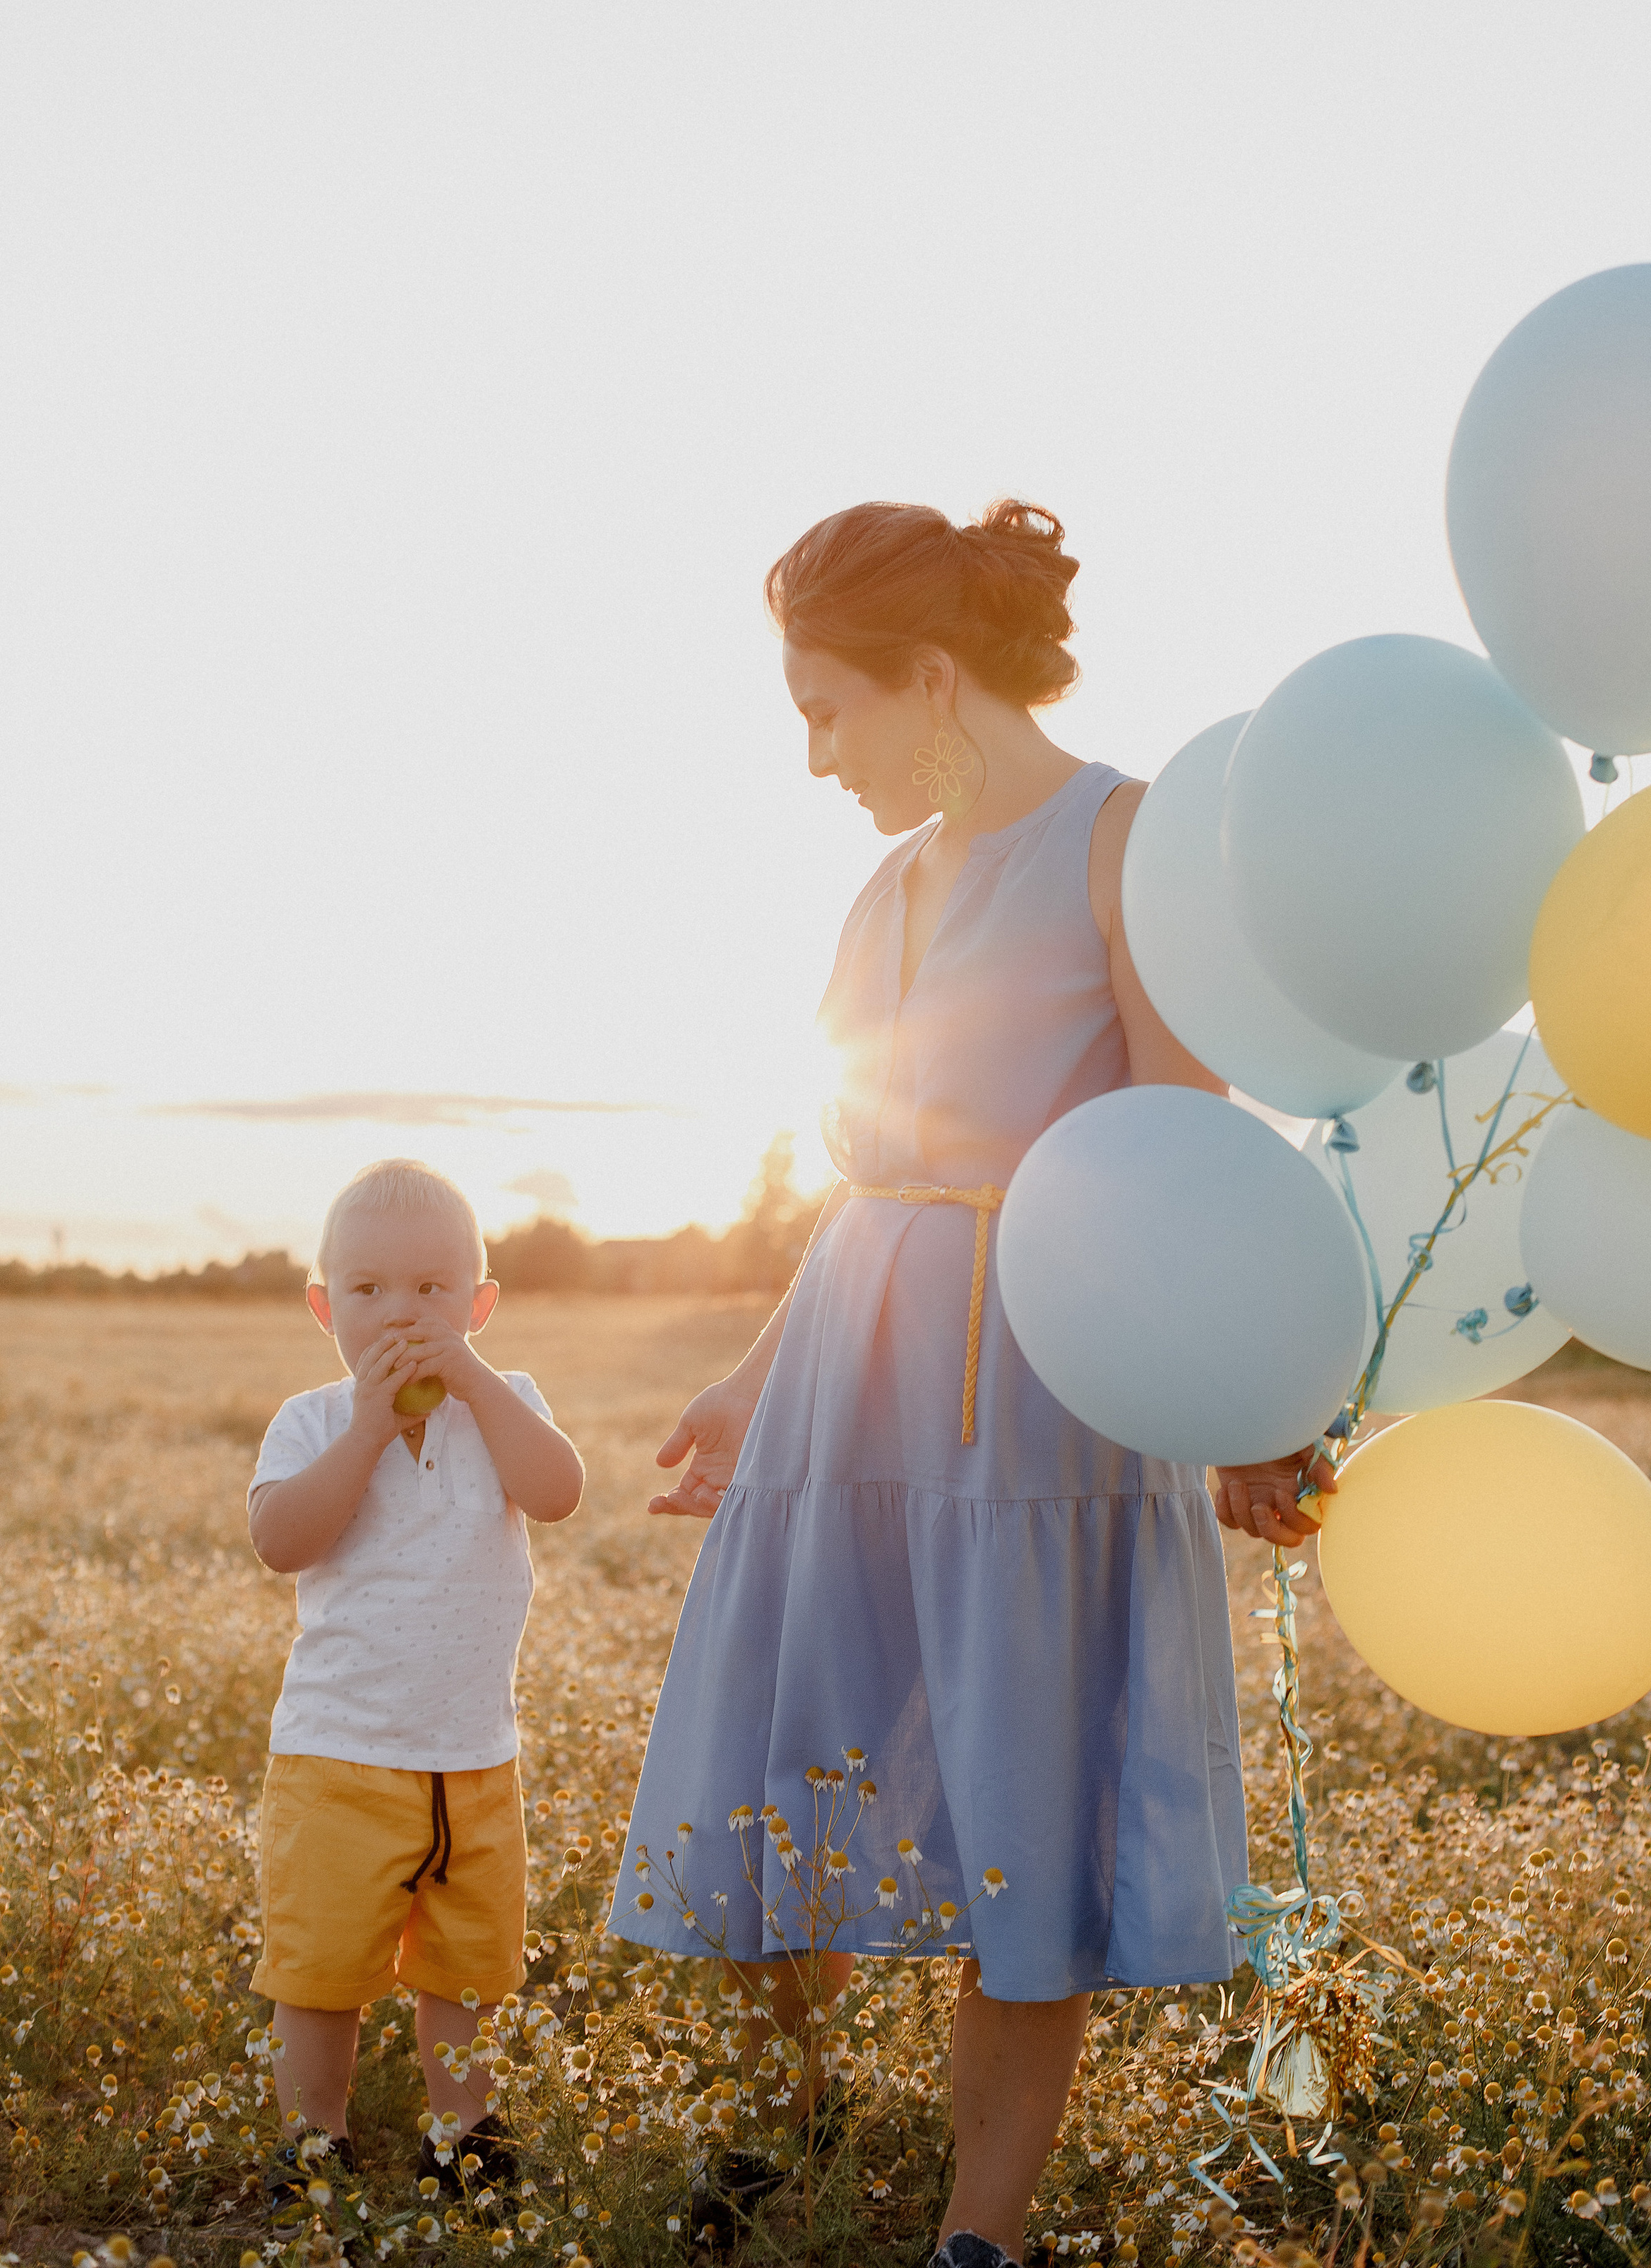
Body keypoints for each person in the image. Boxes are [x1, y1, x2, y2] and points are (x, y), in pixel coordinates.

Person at [616, 499, 1333, 2268]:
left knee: (1021, 1802)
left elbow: (1189, 1145)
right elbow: (871, 1186)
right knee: (789, 1764)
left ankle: (979, 2238)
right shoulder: (885, 884)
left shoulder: (1122, 838)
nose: (812, 757)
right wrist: (744, 1376)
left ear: (929, 679)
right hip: (840, 1396)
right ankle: (788, 2139)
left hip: (1044, 1392)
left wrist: (1247, 1404)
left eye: (825, 709)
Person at [246, 1158, 584, 2205]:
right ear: (323, 1308)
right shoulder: (312, 1421)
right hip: (338, 1757)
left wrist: (476, 1383)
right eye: (369, 1290)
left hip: (475, 1760)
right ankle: (315, 2138)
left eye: (434, 1291)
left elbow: (559, 1492)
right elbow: (280, 1540)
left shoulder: (505, 1403)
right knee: (320, 1975)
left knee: (467, 1973)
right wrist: (367, 1428)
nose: (403, 1313)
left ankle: (465, 2132)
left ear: (479, 1307)